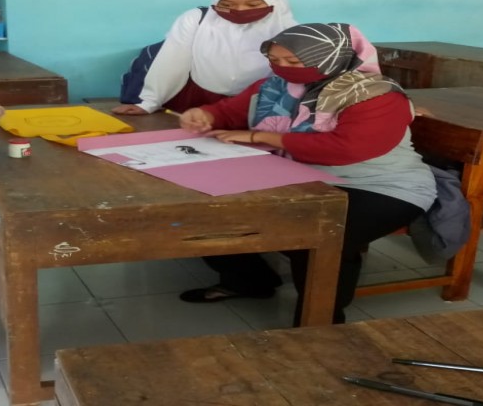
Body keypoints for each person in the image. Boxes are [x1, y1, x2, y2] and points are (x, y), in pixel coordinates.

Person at [176, 23, 437, 325]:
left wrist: (262, 137)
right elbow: (230, 111)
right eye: (274, 60)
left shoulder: (375, 95)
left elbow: (346, 149)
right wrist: (205, 115)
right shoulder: (273, 86)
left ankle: (321, 321)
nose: (282, 68)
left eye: (293, 62)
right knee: (213, 212)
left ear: (331, 58)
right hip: (296, 175)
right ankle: (249, 281)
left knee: (318, 236)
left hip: (379, 186)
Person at [112, 0, 297, 115]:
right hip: (199, 99)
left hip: (259, 103)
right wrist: (149, 102)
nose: (240, 10)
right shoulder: (196, 20)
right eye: (226, 4)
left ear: (274, 1)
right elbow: (172, 61)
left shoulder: (289, 30)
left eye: (253, 5)